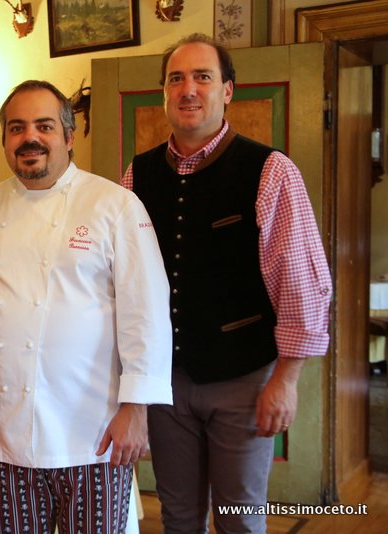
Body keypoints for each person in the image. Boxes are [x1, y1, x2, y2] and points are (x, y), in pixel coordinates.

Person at [121, 33, 332, 533]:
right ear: (164, 93)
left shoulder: (271, 171)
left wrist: (286, 380)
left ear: (228, 90)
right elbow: (124, 283)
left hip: (244, 379)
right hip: (166, 384)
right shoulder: (137, 175)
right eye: (176, 78)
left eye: (203, 77)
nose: (188, 89)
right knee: (178, 518)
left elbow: (301, 282)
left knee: (239, 518)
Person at [0, 80, 173, 534]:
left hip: (95, 434)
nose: (30, 138)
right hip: (6, 437)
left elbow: (147, 314)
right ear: (5, 138)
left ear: (68, 136)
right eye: (17, 127)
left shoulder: (114, 205)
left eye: (44, 126)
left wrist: (136, 409)